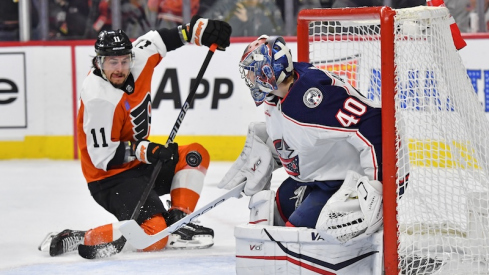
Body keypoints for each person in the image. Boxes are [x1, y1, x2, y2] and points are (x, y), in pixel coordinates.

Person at [39, 16, 232, 256]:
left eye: (123, 61)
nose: (119, 69)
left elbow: (160, 39)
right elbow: (103, 157)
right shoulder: (99, 99)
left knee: (194, 154)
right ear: (99, 63)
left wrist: (199, 30)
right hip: (110, 179)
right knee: (154, 235)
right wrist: (149, 151)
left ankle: (179, 221)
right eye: (112, 62)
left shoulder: (138, 59)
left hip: (140, 163)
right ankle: (82, 236)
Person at [218, 35, 383, 239]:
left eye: (252, 71)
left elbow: (373, 121)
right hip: (314, 176)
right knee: (268, 210)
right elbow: (305, 134)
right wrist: (271, 151)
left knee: (294, 238)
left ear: (268, 70)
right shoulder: (277, 94)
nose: (249, 78)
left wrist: (378, 186)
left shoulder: (312, 98)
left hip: (341, 180)